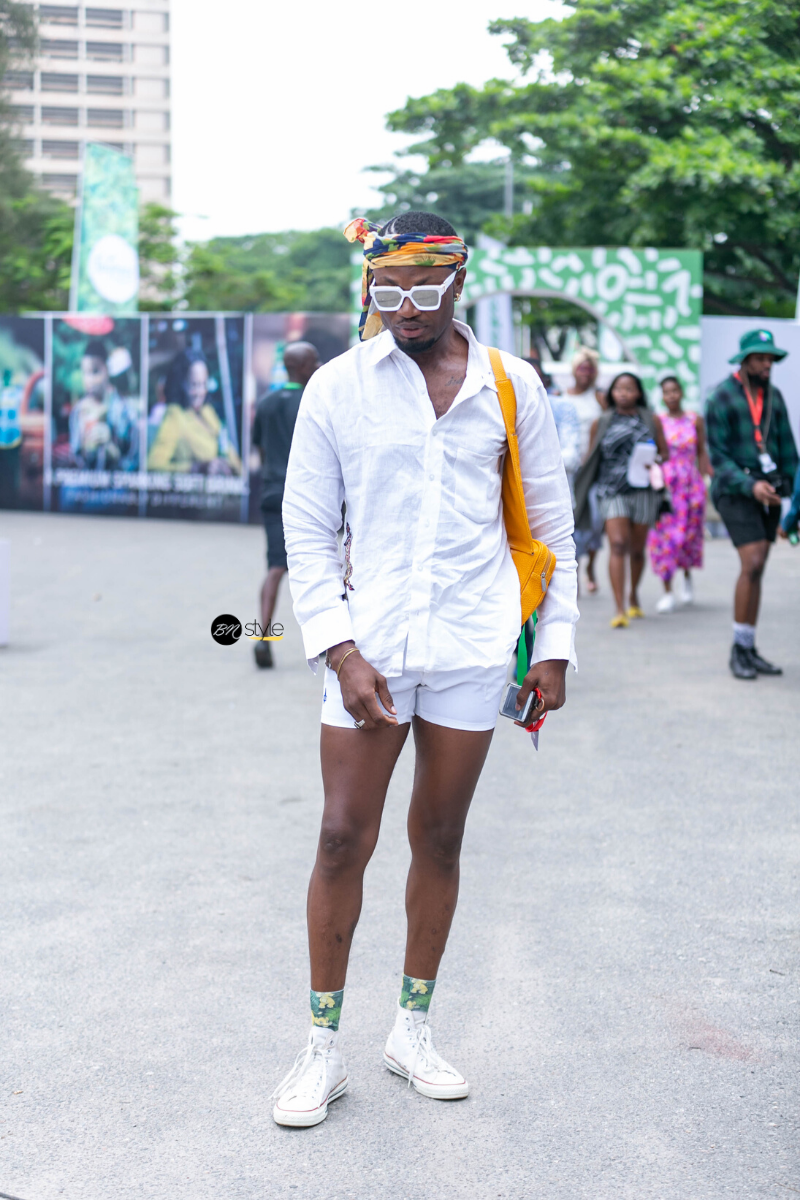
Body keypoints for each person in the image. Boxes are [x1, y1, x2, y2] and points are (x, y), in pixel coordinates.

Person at [273, 211, 578, 1127]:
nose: (404, 307)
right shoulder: (338, 386)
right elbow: (307, 531)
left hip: (473, 649)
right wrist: (339, 649)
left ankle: (412, 1030)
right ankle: (321, 1048)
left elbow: (550, 525)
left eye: (423, 288)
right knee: (341, 837)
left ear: (459, 281)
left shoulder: (510, 384)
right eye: (387, 289)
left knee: (440, 839)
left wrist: (554, 645)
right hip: (367, 650)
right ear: (370, 286)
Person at [705, 329, 798, 679]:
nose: (767, 364)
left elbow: (788, 450)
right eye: (760, 358)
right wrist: (751, 485)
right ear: (744, 361)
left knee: (758, 568)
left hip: (769, 490)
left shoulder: (774, 395)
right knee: (754, 559)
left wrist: (795, 500)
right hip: (735, 490)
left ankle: (748, 646)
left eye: (770, 358)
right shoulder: (720, 397)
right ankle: (738, 650)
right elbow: (718, 458)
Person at [574, 372, 669, 628]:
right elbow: (591, 456)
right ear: (611, 393)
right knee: (617, 544)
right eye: (618, 389)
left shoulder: (650, 419)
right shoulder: (602, 421)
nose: (623, 393)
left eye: (629, 388)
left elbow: (664, 452)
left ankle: (633, 594)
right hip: (611, 490)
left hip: (643, 490)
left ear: (638, 392)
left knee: (636, 549)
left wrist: (654, 460)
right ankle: (619, 608)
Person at [251, 341, 320, 669]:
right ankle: (329, 643)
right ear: (303, 367)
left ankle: (263, 638)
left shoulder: (265, 403)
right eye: (314, 362)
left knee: (275, 569)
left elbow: (261, 451)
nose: (318, 367)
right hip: (306, 496)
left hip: (271, 493)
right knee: (322, 568)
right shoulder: (312, 400)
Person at [647, 376, 711, 612]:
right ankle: (667, 591)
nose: (671, 396)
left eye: (675, 390)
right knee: (665, 538)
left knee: (689, 536)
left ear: (681, 392)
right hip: (667, 486)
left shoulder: (695, 419)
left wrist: (703, 478)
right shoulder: (658, 420)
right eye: (667, 392)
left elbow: (702, 451)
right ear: (662, 396)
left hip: (690, 484)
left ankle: (686, 576)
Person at [147, 348, 241, 475]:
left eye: (203, 384)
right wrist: (195, 468)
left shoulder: (207, 411)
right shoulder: (175, 415)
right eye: (194, 385)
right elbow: (153, 465)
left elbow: (229, 453)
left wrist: (232, 468)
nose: (200, 392)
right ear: (182, 384)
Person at [568, 347, 607, 592]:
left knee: (595, 519)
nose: (586, 373)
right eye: (582, 368)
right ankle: (575, 569)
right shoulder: (563, 396)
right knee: (571, 521)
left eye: (590, 369)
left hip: (594, 469)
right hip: (569, 469)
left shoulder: (599, 397)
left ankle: (591, 563)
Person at [69, 340, 139, 472]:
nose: (89, 380)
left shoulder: (127, 411)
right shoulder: (78, 411)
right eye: (85, 373)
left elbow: (135, 464)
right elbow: (74, 460)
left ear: (107, 369)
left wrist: (113, 452)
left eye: (95, 371)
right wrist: (85, 447)